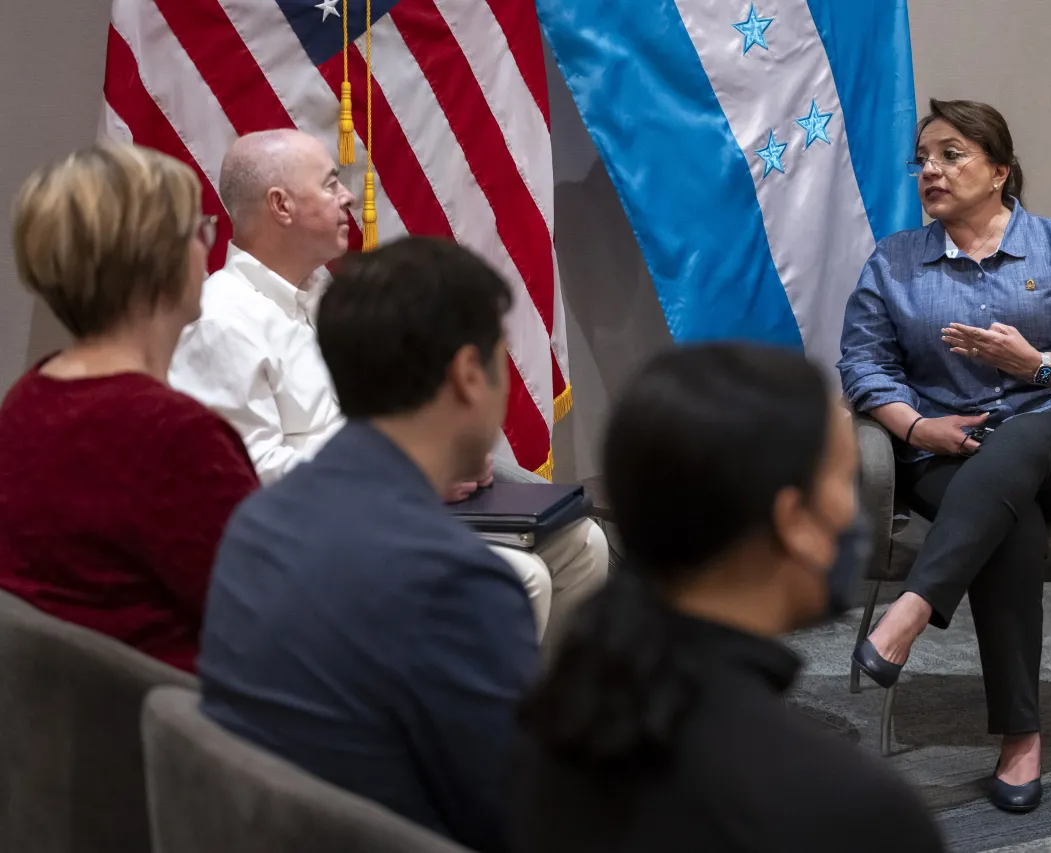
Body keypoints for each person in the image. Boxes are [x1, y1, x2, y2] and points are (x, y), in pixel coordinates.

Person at [170, 129, 606, 649]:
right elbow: (252, 477)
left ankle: (544, 720)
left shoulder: (325, 292)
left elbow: (391, 408)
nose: (347, 196)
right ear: (281, 205)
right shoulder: (221, 320)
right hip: (317, 533)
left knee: (583, 544)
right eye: (331, 183)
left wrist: (449, 448)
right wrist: (410, 474)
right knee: (517, 577)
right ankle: (478, 726)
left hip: (388, 497)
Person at [512, 344, 945, 853]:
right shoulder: (854, 811)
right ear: (793, 520)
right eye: (845, 483)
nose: (854, 516)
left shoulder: (537, 734)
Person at [838, 99, 1051, 813]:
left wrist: (1036, 365)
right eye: (923, 159)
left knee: (1026, 437)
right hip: (952, 450)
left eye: (952, 154)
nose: (931, 171)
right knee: (1011, 520)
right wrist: (917, 429)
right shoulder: (894, 261)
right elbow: (862, 364)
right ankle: (1021, 736)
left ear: (1001, 171)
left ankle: (912, 610)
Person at [199, 236, 541, 852]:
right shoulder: (459, 583)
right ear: (468, 375)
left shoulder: (254, 524)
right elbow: (519, 822)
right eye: (502, 360)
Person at [0, 143, 259, 672]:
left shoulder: (28, 397)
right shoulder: (174, 435)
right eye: (198, 229)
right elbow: (276, 624)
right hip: (186, 738)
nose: (207, 246)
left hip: (71, 732)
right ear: (158, 259)